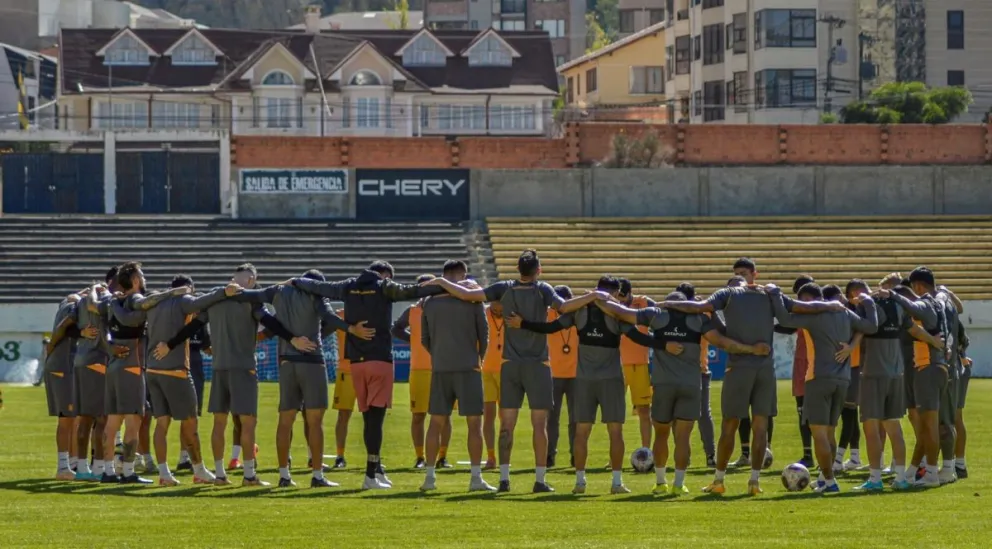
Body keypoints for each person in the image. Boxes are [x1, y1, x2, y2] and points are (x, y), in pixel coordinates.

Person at [423, 249, 608, 493]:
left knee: (506, 425)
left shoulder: (503, 288)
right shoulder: (542, 289)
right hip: (538, 365)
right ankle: (540, 480)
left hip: (509, 364)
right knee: (539, 424)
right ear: (538, 270)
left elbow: (469, 295)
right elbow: (564, 307)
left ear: (518, 268)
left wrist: (440, 281)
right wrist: (593, 295)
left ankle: (504, 479)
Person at [662, 261, 840, 496]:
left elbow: (702, 306)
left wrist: (663, 303)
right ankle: (754, 482)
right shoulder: (768, 293)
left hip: (738, 368)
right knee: (760, 426)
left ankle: (719, 480)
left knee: (729, 425)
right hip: (766, 369)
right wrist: (832, 305)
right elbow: (798, 308)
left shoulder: (728, 293)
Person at [594, 290, 767, 495]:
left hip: (663, 385)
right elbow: (723, 342)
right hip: (691, 385)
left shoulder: (656, 315)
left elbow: (621, 312)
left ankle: (660, 483)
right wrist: (752, 349)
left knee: (661, 434)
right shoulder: (699, 320)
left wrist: (598, 298)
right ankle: (678, 483)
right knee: (683, 437)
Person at [289, 261, 444, 490]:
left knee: (367, 418)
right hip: (379, 360)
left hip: (356, 363)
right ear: (382, 275)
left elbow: (321, 288)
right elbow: (413, 290)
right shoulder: (384, 287)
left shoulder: (348, 286)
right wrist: (442, 284)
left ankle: (376, 469)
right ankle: (370, 475)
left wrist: (294, 281)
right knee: (376, 419)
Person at [157, 263, 304, 486]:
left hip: (218, 368)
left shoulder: (216, 299)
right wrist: (293, 338)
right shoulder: (250, 301)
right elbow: (271, 322)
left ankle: (220, 475)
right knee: (248, 423)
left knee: (219, 422)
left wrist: (169, 344)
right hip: (243, 368)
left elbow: (192, 327)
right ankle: (248, 475)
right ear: (252, 280)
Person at [235, 269, 375, 488]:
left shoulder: (278, 291)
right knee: (315, 422)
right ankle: (317, 475)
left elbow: (250, 297)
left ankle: (284, 476)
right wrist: (350, 329)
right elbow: (329, 317)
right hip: (312, 361)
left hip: (286, 362)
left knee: (285, 421)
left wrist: (237, 291)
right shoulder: (315, 294)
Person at [507, 276, 631, 495]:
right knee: (613, 431)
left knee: (582, 431)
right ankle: (616, 483)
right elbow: (638, 335)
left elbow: (551, 327)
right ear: (614, 293)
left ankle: (581, 482)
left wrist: (523, 323)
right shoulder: (616, 315)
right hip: (610, 379)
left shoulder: (581, 312)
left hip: (584, 379)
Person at [132, 273, 241, 486]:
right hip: (176, 371)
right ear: (188, 288)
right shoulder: (183, 301)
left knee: (161, 423)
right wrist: (224, 291)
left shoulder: (155, 303)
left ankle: (164, 474)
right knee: (191, 422)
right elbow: (203, 301)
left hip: (153, 370)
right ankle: (199, 469)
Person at [771, 282, 878, 494]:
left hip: (818, 378)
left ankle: (830, 482)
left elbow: (784, 318)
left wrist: (774, 292)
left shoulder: (814, 316)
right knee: (829, 433)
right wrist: (869, 302)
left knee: (818, 433)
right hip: (842, 379)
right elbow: (871, 327)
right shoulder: (846, 313)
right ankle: (823, 478)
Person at [419, 261, 495, 492]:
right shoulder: (471, 300)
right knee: (475, 424)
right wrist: (478, 359)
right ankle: (475, 478)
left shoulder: (429, 303)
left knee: (435, 422)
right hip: (468, 367)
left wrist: (439, 356)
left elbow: (424, 339)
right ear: (462, 275)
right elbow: (485, 335)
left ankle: (430, 478)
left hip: (441, 367)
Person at [843, 278, 914, 491]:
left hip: (873, 373)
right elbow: (913, 329)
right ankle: (900, 478)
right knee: (894, 426)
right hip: (896, 373)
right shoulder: (898, 306)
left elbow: (865, 328)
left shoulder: (869, 307)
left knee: (871, 427)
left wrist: (851, 346)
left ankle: (875, 479)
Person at [884, 267, 950, 488]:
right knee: (925, 426)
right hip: (931, 368)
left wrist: (891, 294)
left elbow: (913, 307)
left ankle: (931, 473)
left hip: (928, 369)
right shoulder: (934, 303)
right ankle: (914, 471)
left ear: (917, 288)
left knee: (929, 426)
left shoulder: (925, 303)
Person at [391, 275, 453, 469]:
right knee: (418, 415)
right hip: (418, 370)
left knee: (444, 415)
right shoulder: (413, 311)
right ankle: (420, 457)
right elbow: (396, 329)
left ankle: (442, 457)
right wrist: (414, 340)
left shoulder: (444, 310)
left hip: (442, 368)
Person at [726, 260, 774, 468]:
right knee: (740, 413)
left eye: (743, 273)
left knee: (763, 412)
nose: (741, 278)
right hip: (740, 362)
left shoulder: (766, 296)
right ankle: (745, 452)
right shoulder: (733, 298)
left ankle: (764, 450)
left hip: (762, 363)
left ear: (755, 274)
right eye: (737, 274)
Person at [44, 290, 95, 480]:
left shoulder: (69, 301)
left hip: (63, 365)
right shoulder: (76, 307)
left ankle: (71, 463)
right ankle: (63, 467)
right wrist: (51, 347)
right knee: (66, 418)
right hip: (63, 366)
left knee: (72, 417)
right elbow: (63, 327)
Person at [772, 275, 816, 468]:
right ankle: (809, 454)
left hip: (817, 363)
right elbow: (787, 327)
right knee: (803, 411)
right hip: (802, 363)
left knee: (819, 413)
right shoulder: (799, 316)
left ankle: (827, 456)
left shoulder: (821, 312)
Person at [827, 283, 863, 473]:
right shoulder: (838, 314)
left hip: (853, 367)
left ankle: (838, 460)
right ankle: (854, 457)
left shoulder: (851, 312)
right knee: (850, 414)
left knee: (848, 414)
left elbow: (862, 331)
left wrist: (850, 348)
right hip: (845, 367)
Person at [616, 277, 655, 451]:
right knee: (615, 413)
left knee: (644, 410)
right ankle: (614, 455)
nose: (620, 300)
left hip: (641, 364)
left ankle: (646, 451)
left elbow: (661, 313)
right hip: (618, 364)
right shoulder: (611, 305)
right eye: (618, 296)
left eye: (623, 296)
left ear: (631, 292)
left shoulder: (644, 302)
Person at [546, 285, 577, 469]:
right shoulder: (548, 315)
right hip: (552, 374)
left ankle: (575, 454)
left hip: (575, 375)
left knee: (576, 418)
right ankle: (549, 455)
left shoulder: (577, 317)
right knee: (551, 419)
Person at [481, 300, 505, 469]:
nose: (497, 312)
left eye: (500, 309)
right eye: (494, 308)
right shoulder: (482, 313)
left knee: (506, 418)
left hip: (506, 371)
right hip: (485, 371)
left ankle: (504, 457)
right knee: (488, 416)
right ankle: (491, 457)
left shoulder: (512, 314)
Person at [332, 307, 353, 469]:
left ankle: (373, 457)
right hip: (346, 370)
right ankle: (340, 456)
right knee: (343, 414)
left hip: (367, 368)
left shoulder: (371, 310)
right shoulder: (339, 315)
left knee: (372, 415)